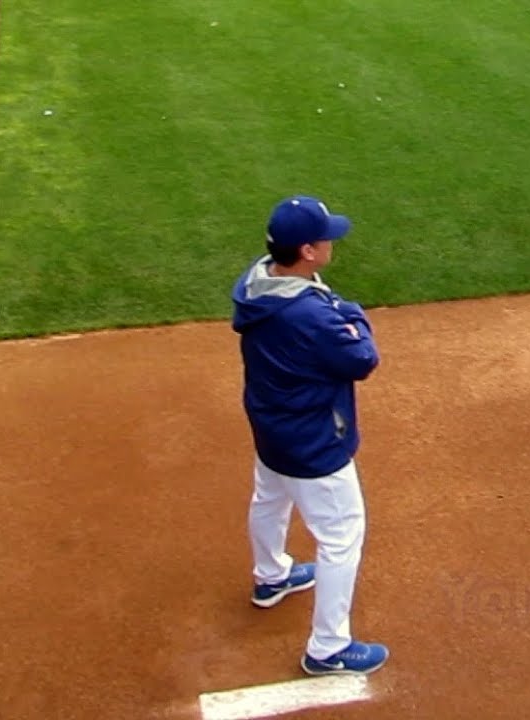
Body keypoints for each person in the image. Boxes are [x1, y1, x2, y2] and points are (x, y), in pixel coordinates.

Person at [230, 194, 389, 674]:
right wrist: (352, 312)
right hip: (315, 439)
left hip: (270, 424)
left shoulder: (254, 282)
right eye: (326, 239)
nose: (331, 244)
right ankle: (328, 648)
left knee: (269, 498)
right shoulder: (312, 316)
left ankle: (271, 576)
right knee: (342, 537)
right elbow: (362, 359)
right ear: (308, 252)